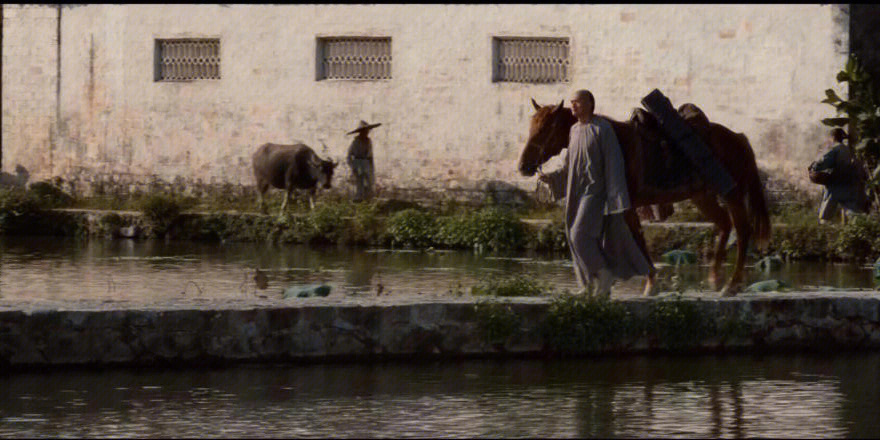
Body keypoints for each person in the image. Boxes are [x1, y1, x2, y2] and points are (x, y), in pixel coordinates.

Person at [538, 90, 652, 297]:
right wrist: (552, 178)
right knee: (573, 236)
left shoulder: (603, 129)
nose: (573, 106)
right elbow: (568, 166)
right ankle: (590, 285)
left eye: (577, 102)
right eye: (572, 103)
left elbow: (614, 163)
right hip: (577, 192)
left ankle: (604, 274)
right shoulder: (574, 131)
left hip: (596, 193)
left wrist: (616, 198)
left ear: (590, 104)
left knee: (579, 234)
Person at [810, 128, 869, 225]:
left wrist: (814, 166)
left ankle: (824, 232)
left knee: (826, 214)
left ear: (833, 137)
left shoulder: (835, 149)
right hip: (848, 184)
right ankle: (862, 227)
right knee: (852, 210)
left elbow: (824, 162)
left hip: (835, 184)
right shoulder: (848, 150)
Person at [346, 120, 381, 201]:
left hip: (366, 163)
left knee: (369, 183)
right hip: (357, 163)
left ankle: (368, 200)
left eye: (368, 130)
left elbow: (370, 155)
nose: (367, 132)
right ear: (361, 132)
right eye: (365, 130)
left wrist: (371, 167)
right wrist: (353, 166)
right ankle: (358, 200)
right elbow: (348, 156)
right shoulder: (355, 142)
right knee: (359, 183)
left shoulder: (368, 141)